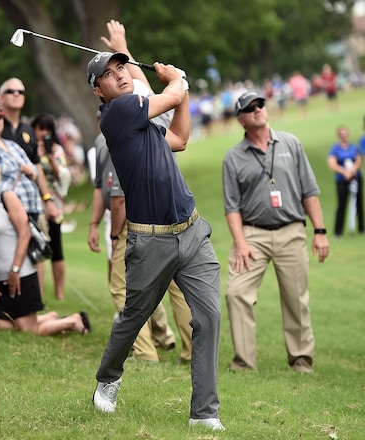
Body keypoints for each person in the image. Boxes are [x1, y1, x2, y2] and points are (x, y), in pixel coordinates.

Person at [88, 20, 223, 431]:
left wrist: (129, 54)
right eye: (110, 75)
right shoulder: (117, 115)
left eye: (122, 69)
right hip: (151, 241)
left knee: (210, 316)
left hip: (192, 229)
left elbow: (179, 137)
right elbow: (170, 93)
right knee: (134, 316)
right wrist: (177, 79)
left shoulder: (141, 124)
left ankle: (204, 413)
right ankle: (108, 379)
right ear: (98, 90)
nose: (120, 76)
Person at [223, 91, 330, 375]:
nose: (258, 109)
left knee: (296, 298)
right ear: (241, 119)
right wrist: (240, 243)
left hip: (291, 231)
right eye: (250, 107)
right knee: (236, 293)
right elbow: (231, 207)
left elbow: (310, 191)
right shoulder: (233, 158)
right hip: (252, 235)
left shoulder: (291, 144)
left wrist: (319, 231)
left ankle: (301, 361)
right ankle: (244, 363)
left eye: (261, 104)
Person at [0, 152, 90, 335]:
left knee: (27, 330)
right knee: (3, 327)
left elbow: (25, 234)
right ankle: (50, 317)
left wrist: (15, 270)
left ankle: (72, 321)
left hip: (21, 273)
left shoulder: (7, 197)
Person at [0, 78, 57, 229]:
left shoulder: (28, 129)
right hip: (3, 203)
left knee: (41, 249)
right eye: (11, 91)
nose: (17, 94)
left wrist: (47, 199)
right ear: (1, 97)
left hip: (31, 201)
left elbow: (37, 166)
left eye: (21, 92)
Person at [30, 113, 71, 301]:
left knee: (57, 249)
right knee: (38, 248)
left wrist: (50, 158)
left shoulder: (57, 151)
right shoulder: (29, 148)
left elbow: (61, 177)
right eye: (41, 129)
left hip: (54, 204)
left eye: (48, 130)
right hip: (34, 203)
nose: (44, 133)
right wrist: (36, 157)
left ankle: (60, 293)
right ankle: (37, 291)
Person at [327, 125, 362, 237]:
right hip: (342, 180)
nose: (344, 136)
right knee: (341, 205)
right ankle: (338, 232)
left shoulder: (353, 147)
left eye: (346, 133)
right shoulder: (335, 149)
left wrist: (353, 170)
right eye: (342, 134)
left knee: (359, 204)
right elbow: (332, 164)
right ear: (339, 136)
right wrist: (344, 172)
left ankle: (361, 229)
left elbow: (358, 160)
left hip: (355, 178)